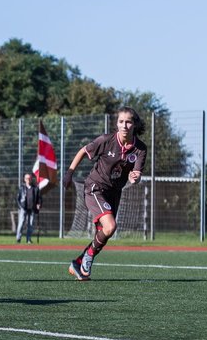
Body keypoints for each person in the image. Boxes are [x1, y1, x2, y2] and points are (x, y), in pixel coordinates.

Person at [63, 107, 147, 281]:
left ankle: (79, 262)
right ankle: (88, 257)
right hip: (95, 187)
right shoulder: (106, 140)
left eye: (128, 121)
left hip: (114, 192)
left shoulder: (140, 149)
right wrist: (69, 174)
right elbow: (82, 151)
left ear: (134, 124)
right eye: (121, 121)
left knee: (104, 232)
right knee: (110, 226)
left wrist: (135, 177)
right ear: (117, 123)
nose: (124, 125)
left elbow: (136, 176)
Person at [16, 172, 42, 244]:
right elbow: (18, 199)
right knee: (21, 223)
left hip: (32, 209)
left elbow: (39, 198)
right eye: (27, 178)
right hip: (23, 208)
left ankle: (28, 239)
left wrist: (39, 204)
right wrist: (20, 206)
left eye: (30, 178)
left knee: (30, 225)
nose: (28, 179)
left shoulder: (36, 188)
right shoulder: (22, 188)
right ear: (24, 179)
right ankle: (18, 238)